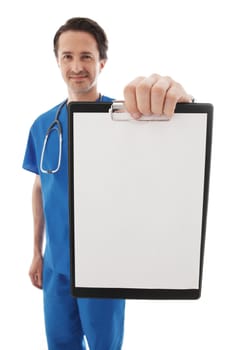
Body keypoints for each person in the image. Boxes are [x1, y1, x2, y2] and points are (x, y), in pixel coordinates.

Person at [22, 17, 193, 350]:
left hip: (105, 265)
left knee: (105, 346)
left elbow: (168, 162)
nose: (76, 66)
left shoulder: (127, 119)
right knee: (60, 345)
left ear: (101, 62)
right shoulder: (43, 124)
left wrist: (181, 104)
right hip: (56, 266)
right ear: (57, 61)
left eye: (86, 56)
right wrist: (35, 252)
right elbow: (41, 186)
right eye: (67, 56)